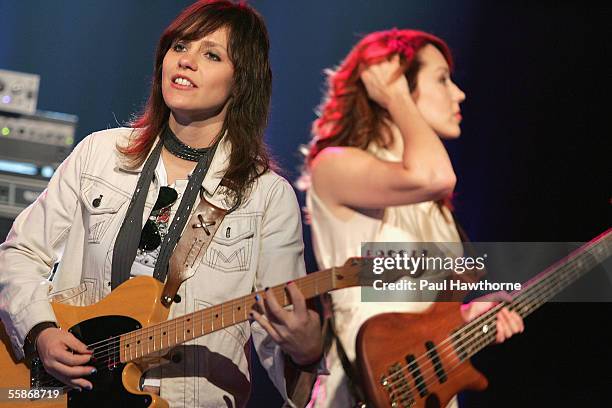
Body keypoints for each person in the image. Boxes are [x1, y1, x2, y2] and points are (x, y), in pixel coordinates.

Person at [0, 1, 323, 407]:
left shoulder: (267, 196)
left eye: (211, 54)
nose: (186, 62)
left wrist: (306, 351)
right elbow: (20, 253)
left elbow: (278, 339)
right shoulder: (99, 154)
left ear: (242, 81)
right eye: (180, 47)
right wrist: (40, 332)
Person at [299, 29, 524, 407]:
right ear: (393, 81)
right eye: (441, 79)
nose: (459, 93)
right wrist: (397, 95)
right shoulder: (336, 165)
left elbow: (414, 312)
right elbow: (434, 176)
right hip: (363, 391)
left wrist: (467, 316)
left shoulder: (432, 204)